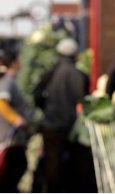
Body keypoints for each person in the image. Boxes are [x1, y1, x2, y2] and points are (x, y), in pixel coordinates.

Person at [40, 37, 95, 193]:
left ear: (59, 54)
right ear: (75, 55)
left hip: (52, 125)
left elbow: (37, 94)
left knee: (53, 162)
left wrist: (46, 108)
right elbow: (85, 99)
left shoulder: (50, 74)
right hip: (74, 127)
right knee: (77, 162)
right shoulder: (81, 75)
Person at [0, 44, 34, 193]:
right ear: (14, 62)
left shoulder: (6, 79)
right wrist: (17, 120)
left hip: (9, 138)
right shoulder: (7, 81)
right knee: (17, 167)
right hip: (9, 138)